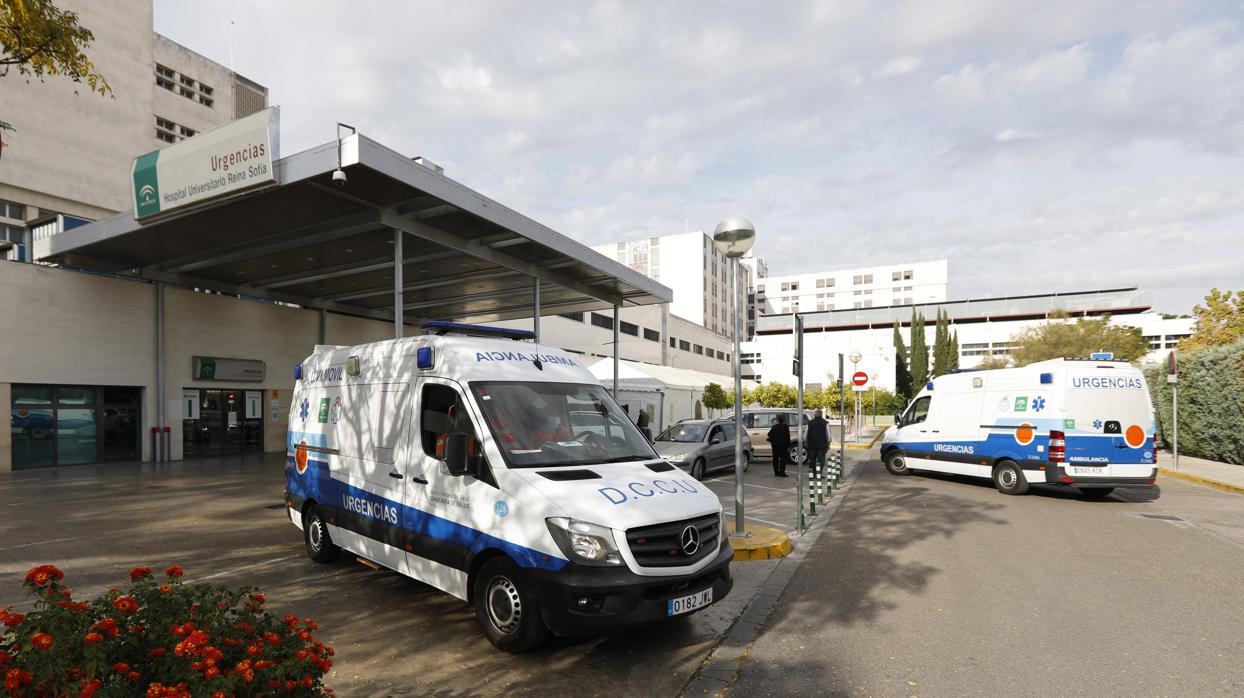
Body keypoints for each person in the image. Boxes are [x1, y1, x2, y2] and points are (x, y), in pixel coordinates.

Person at [805, 408, 831, 477]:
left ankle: (812, 474)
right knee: (821, 460)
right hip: (822, 445)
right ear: (821, 415)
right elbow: (828, 435)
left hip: (812, 444)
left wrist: (806, 441)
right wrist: (828, 444)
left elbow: (806, 433)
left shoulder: (809, 423)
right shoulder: (825, 423)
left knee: (812, 459)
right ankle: (818, 474)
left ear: (815, 415)